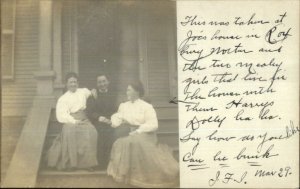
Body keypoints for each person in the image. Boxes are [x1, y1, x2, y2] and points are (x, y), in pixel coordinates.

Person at [107, 81, 179, 188]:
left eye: (129, 90)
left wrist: (138, 131)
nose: (126, 92)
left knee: (133, 143)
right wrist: (113, 121)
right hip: (129, 132)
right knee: (120, 143)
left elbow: (153, 124)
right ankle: (126, 175)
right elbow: (118, 117)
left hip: (145, 133)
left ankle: (139, 179)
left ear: (136, 91)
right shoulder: (123, 106)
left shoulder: (146, 106)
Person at [46, 72, 98, 171]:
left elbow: (91, 92)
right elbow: (62, 115)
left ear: (78, 83)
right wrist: (74, 121)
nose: (73, 84)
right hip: (71, 120)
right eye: (71, 82)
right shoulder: (63, 98)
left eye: (75, 82)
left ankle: (88, 164)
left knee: (92, 131)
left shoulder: (83, 91)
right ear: (66, 84)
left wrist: (94, 91)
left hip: (84, 119)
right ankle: (71, 163)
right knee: (70, 131)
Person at [86, 73, 118, 170]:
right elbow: (90, 111)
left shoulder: (114, 95)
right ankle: (99, 163)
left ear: (108, 82)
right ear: (96, 84)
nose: (102, 84)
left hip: (111, 120)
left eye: (104, 81)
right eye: (99, 82)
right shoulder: (92, 96)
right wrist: (99, 117)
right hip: (98, 121)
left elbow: (117, 109)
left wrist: (112, 119)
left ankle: (110, 162)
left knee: (112, 132)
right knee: (100, 132)